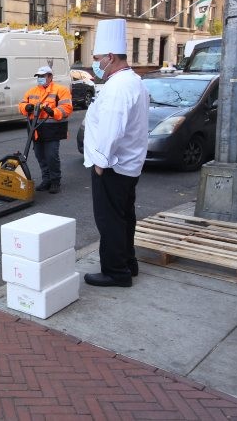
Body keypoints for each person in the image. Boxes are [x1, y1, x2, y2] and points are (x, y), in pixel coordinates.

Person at [82, 19, 149, 288]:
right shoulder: (133, 82)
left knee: (109, 220)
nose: (96, 63)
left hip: (113, 167)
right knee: (124, 217)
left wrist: (101, 163)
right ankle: (127, 263)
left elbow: (112, 129)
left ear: (110, 57)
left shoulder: (118, 87)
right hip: (127, 165)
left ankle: (115, 271)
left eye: (98, 58)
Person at [18, 65, 73, 194]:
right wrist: (27, 108)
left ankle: (55, 181)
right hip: (35, 130)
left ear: (50, 77)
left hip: (52, 129)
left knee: (51, 156)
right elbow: (21, 104)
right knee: (40, 155)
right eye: (38, 77)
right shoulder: (32, 91)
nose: (40, 79)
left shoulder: (61, 90)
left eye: (42, 76)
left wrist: (52, 111)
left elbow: (67, 108)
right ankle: (46, 180)